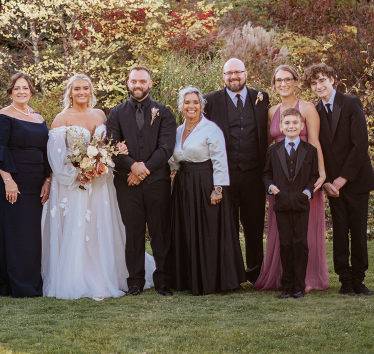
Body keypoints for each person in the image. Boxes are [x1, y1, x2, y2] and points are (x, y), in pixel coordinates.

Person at [43, 73, 154, 300]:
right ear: (70, 92)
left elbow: (109, 145)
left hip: (101, 182)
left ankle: (107, 275)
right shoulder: (62, 118)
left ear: (91, 91)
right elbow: (56, 156)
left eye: (85, 88)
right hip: (75, 185)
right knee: (80, 230)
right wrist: (78, 174)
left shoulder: (100, 114)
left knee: (100, 229)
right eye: (77, 89)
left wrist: (108, 159)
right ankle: (80, 278)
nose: (81, 92)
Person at [0, 73, 51, 297]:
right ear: (10, 92)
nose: (21, 92)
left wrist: (48, 179)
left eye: (25, 88)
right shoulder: (3, 116)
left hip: (36, 182)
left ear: (31, 91)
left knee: (32, 233)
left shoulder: (38, 118)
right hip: (12, 181)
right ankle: (16, 283)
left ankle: (32, 279)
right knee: (17, 232)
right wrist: (8, 181)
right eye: (17, 88)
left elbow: (45, 151)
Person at [304, 63, 374, 296]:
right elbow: (316, 149)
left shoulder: (351, 104)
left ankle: (359, 280)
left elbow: (360, 144)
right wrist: (326, 181)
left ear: (332, 79)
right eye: (314, 83)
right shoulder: (314, 111)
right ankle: (345, 281)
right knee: (339, 232)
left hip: (356, 180)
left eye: (322, 80)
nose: (319, 86)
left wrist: (343, 178)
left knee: (358, 232)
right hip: (331, 184)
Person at [255, 65, 329, 293]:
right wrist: (268, 182)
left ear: (296, 81)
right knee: (283, 233)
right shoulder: (271, 111)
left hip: (304, 180)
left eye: (288, 79)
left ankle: (306, 278)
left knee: (305, 233)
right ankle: (283, 278)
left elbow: (314, 142)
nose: (283, 84)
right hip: (280, 182)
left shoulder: (307, 108)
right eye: (278, 80)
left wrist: (322, 173)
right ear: (274, 83)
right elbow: (269, 147)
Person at [167, 87, 245, 295]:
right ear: (181, 106)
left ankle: (213, 280)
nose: (191, 106)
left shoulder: (211, 129)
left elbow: (220, 160)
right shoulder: (177, 131)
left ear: (201, 105)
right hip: (183, 185)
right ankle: (187, 278)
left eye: (195, 102)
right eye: (187, 102)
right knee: (186, 230)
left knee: (208, 231)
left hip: (205, 183)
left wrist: (217, 189)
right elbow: (173, 159)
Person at [107, 66, 176, 296]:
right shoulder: (116, 113)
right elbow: (111, 146)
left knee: (160, 233)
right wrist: (131, 166)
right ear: (128, 83)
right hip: (127, 184)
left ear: (150, 84)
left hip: (157, 182)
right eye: (134, 81)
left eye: (142, 81)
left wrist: (142, 170)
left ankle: (163, 281)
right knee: (133, 233)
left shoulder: (163, 112)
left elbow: (166, 148)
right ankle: (135, 281)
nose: (138, 85)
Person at [203, 58, 270, 284]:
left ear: (246, 73)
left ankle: (255, 273)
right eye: (228, 73)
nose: (233, 77)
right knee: (227, 225)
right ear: (223, 76)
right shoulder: (211, 101)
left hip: (254, 173)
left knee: (254, 225)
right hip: (225, 174)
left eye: (237, 72)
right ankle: (230, 274)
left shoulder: (261, 98)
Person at [263, 108, 320, 299]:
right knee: (286, 244)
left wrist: (306, 192)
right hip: (281, 203)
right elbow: (266, 174)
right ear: (280, 127)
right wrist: (272, 188)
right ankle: (286, 286)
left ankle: (299, 286)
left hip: (301, 203)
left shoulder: (310, 150)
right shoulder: (273, 150)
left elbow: (314, 176)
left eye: (295, 123)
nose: (291, 126)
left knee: (300, 243)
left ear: (302, 126)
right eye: (287, 123)